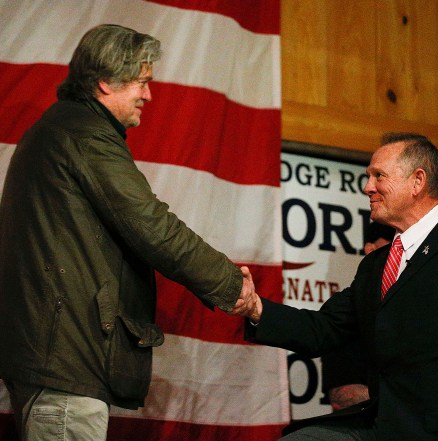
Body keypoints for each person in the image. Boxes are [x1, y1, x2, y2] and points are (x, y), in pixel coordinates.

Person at [0, 24, 256, 441]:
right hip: (66, 365)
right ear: (105, 81)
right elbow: (152, 225)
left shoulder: (58, 130)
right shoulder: (84, 136)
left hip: (52, 358)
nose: (148, 95)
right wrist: (232, 285)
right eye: (142, 81)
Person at [245, 133, 438, 440]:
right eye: (369, 176)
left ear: (417, 182)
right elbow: (322, 329)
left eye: (379, 176)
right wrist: (255, 308)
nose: (368, 187)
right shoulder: (375, 265)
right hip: (376, 426)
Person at [321, 222, 395, 411]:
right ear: (370, 249)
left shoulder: (421, 305)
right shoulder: (350, 308)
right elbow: (341, 395)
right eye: (392, 246)